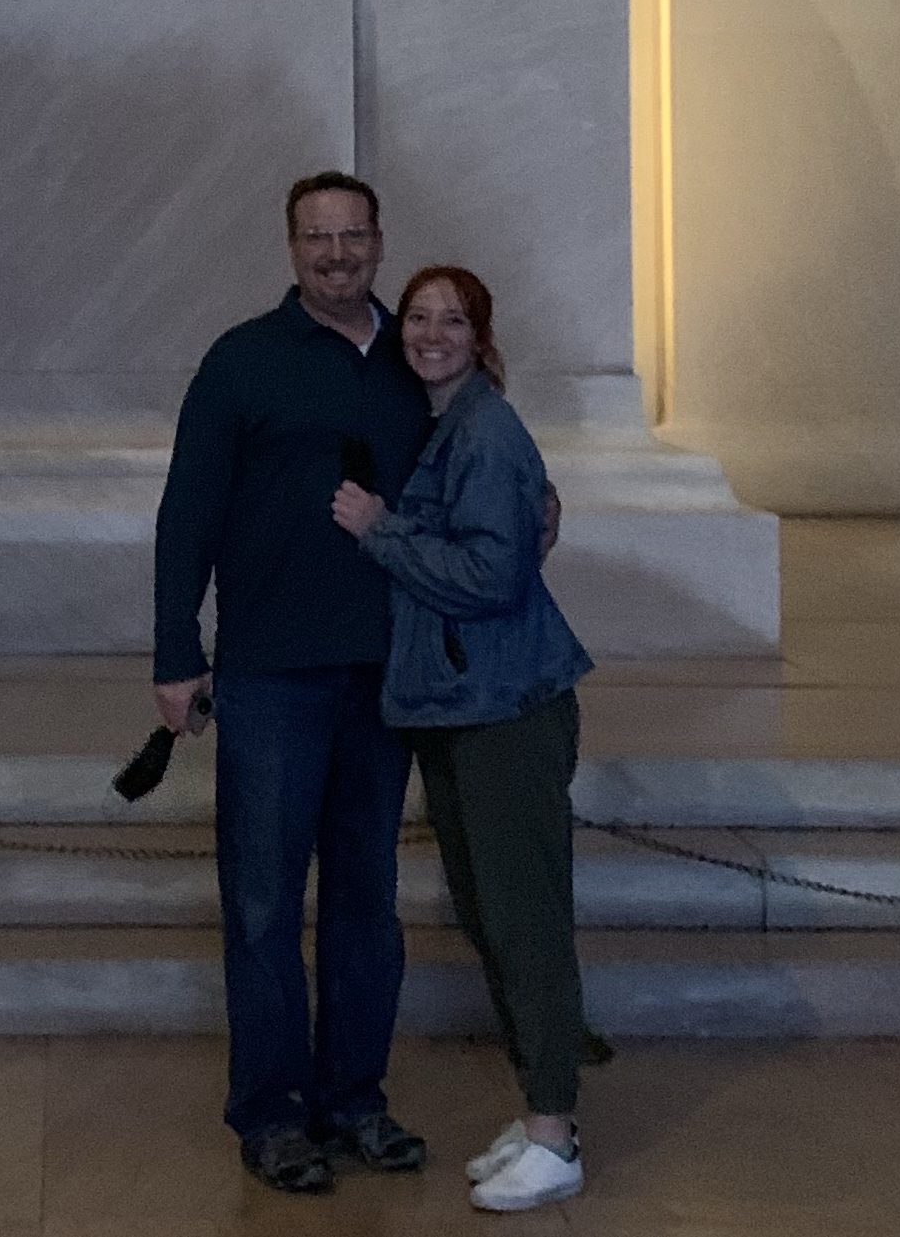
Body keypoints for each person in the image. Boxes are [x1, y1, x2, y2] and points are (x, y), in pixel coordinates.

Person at [152, 171, 432, 1198]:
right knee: (266, 900)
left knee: (366, 895)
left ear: (379, 240)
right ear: (291, 247)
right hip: (271, 670)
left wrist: (536, 505)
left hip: (384, 670)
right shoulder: (241, 360)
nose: (337, 253)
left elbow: (468, 471)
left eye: (353, 234)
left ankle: (354, 1096)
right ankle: (271, 1112)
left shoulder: (416, 357)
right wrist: (175, 649)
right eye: (318, 236)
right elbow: (188, 509)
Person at [331, 266, 593, 1215]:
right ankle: (541, 1117)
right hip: (458, 704)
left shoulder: (485, 429)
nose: (431, 333)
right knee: (491, 915)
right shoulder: (449, 425)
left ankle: (555, 1132)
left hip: (504, 709)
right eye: (418, 316)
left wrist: (379, 530)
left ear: (481, 337)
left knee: (525, 920)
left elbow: (492, 576)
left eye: (453, 319)